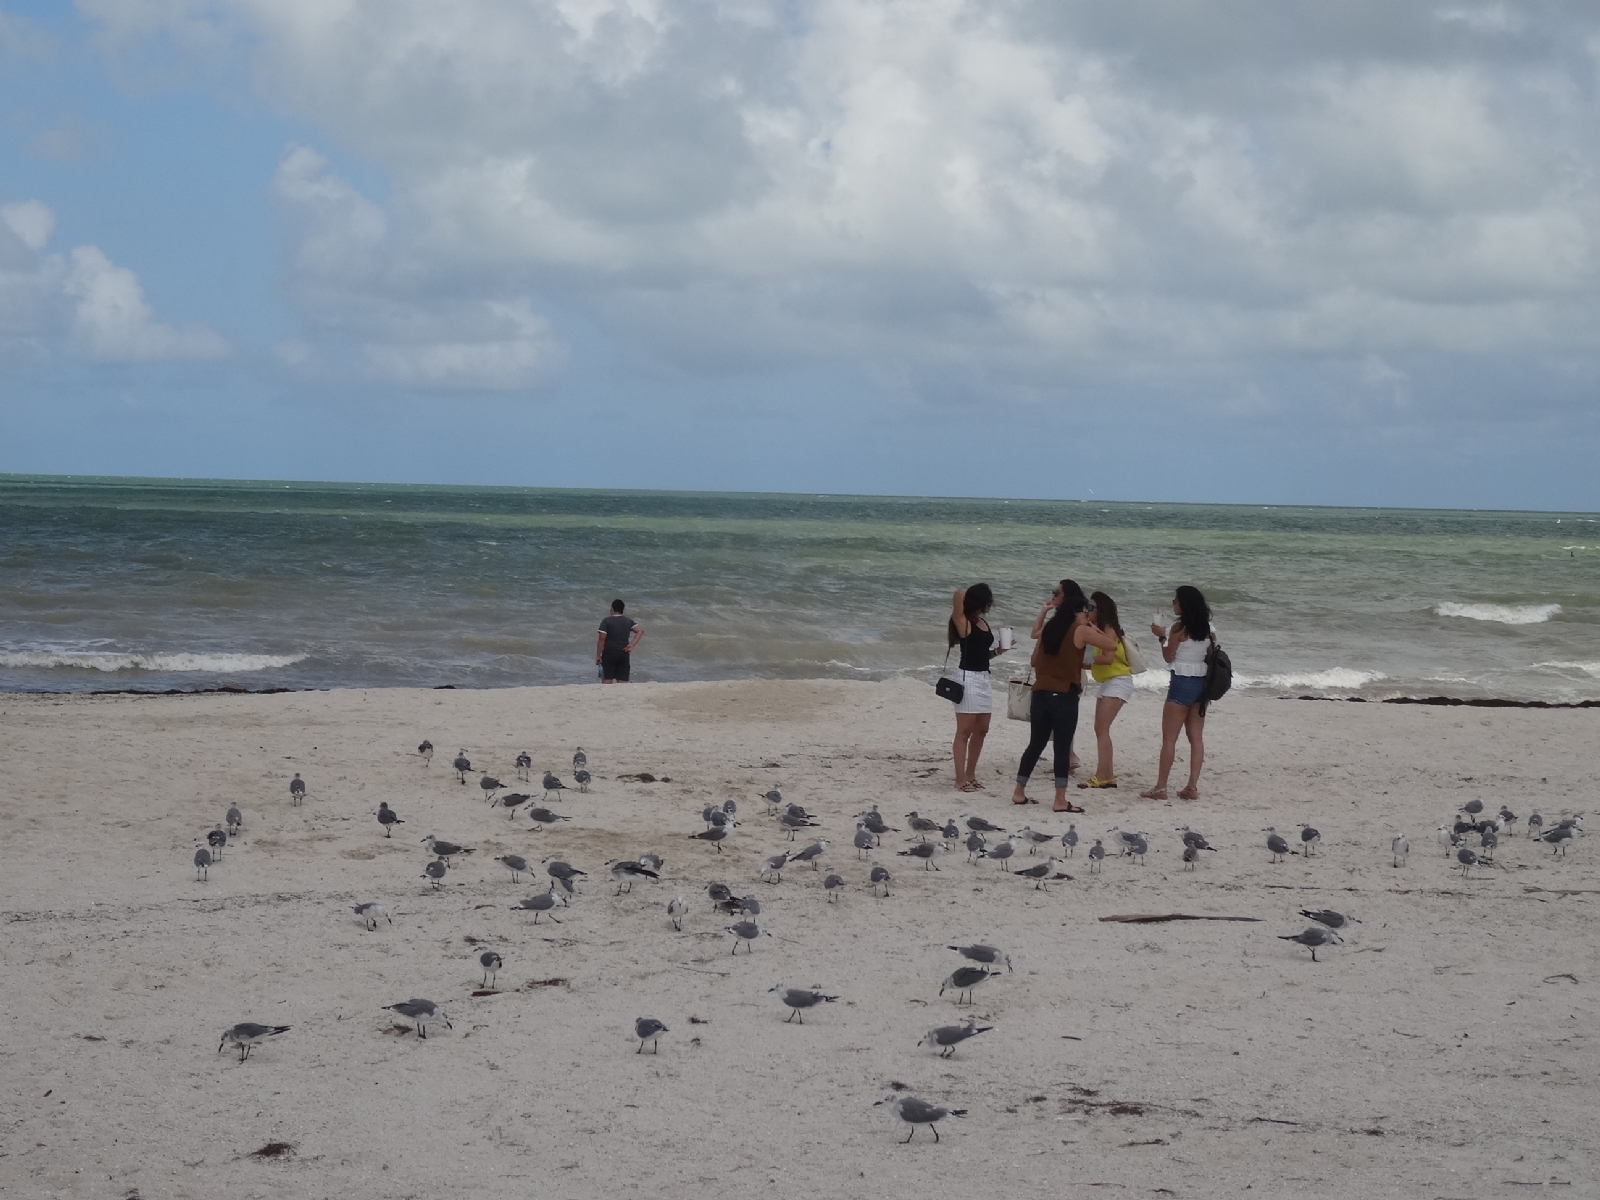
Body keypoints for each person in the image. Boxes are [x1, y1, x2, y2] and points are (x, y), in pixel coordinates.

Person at [1011, 582, 1117, 811]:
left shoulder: (1049, 629)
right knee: (1061, 747)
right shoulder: (1081, 629)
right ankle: (1060, 800)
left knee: (1035, 745)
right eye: (1085, 611)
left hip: (1040, 693)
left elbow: (1035, 660)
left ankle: (1019, 792)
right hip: (1064, 695)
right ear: (1078, 612)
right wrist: (1090, 625)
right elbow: (1111, 645)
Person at [1141, 585, 1212, 800]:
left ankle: (1161, 787)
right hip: (1201, 684)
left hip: (1181, 682)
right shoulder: (1208, 628)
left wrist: (1161, 638)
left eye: (1175, 600)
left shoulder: (1178, 628)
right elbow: (1208, 653)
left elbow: (1168, 656)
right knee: (1196, 738)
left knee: (1170, 739)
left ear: (1184, 604)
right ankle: (1192, 786)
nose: (1174, 604)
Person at [947, 583, 1009, 792]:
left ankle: (971, 774)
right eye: (988, 601)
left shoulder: (982, 622)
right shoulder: (964, 622)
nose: (990, 605)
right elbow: (958, 595)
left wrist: (998, 651)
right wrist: (969, 593)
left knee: (982, 730)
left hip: (983, 678)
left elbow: (983, 653)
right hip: (968, 678)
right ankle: (960, 778)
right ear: (980, 601)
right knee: (964, 731)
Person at [1079, 591, 1133, 790]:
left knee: (1101, 729)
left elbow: (1108, 659)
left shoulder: (1109, 630)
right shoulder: (1101, 630)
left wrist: (1083, 661)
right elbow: (1096, 664)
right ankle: (1107, 775)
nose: (1088, 610)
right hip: (1108, 682)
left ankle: (1102, 775)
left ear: (1100, 610)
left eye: (1091, 607)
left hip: (1118, 680)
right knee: (1100, 729)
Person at [596, 599, 643, 683]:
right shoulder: (628, 621)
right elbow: (640, 630)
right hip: (623, 652)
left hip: (609, 652)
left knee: (607, 679)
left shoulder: (606, 621)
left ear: (612, 609)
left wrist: (598, 655)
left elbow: (602, 638)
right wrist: (632, 644)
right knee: (622, 681)